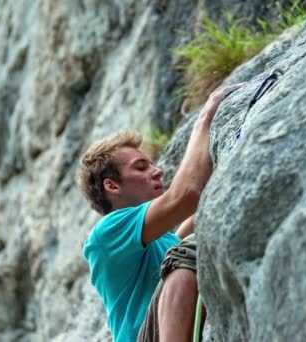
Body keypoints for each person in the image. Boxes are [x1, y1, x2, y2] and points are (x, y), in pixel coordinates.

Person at [77, 83, 246, 342]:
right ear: (112, 185)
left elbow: (199, 212)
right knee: (184, 256)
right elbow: (187, 195)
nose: (157, 171)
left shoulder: (160, 241)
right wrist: (206, 118)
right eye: (141, 167)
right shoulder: (107, 233)